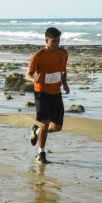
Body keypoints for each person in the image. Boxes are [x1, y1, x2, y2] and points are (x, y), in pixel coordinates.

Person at [25, 27, 69, 164]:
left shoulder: (63, 53)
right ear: (47, 41)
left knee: (57, 127)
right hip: (41, 92)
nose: (57, 44)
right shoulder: (38, 56)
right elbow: (28, 74)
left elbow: (63, 70)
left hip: (56, 93)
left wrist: (65, 83)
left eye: (58, 41)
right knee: (45, 123)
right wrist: (33, 80)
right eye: (54, 41)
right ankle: (41, 153)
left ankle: (37, 131)